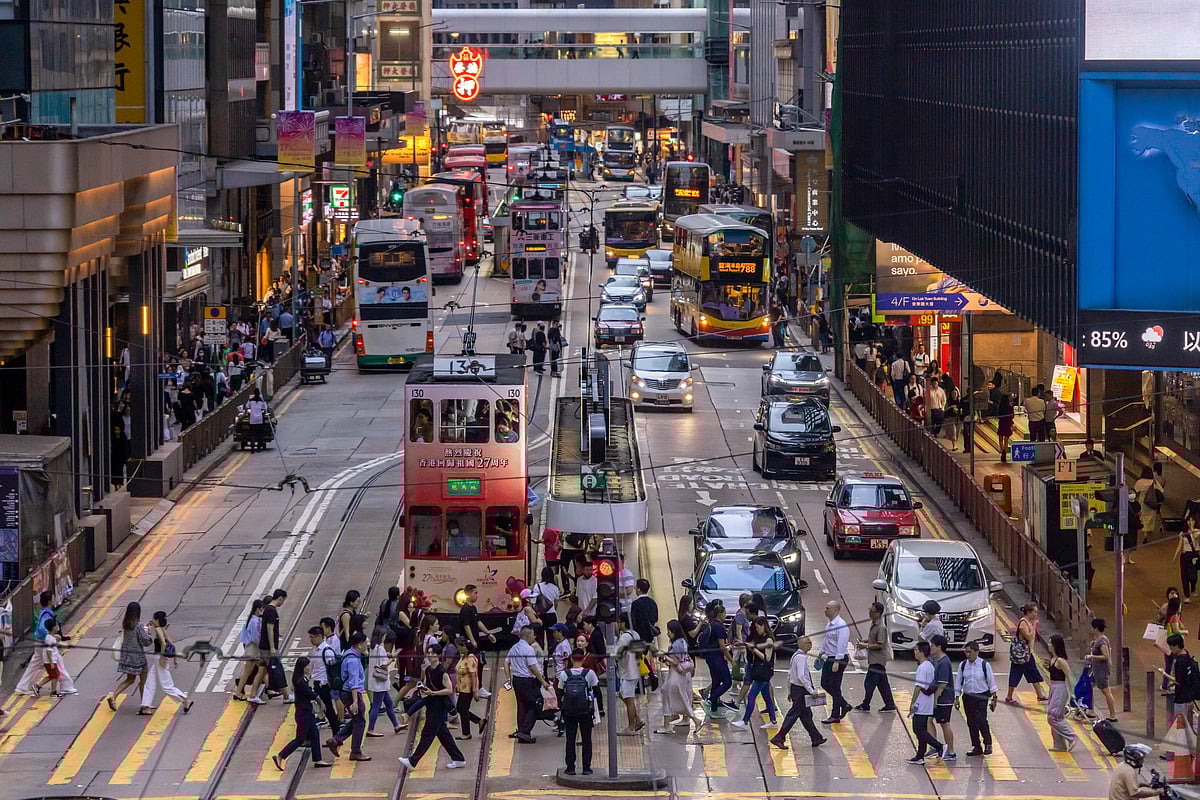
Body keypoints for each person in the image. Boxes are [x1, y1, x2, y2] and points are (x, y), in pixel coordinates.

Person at [399, 643, 468, 770]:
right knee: (444, 735)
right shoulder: (428, 670)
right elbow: (426, 684)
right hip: (431, 703)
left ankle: (413, 761)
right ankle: (458, 758)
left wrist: (433, 693)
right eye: (429, 653)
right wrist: (424, 688)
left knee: (427, 735)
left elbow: (449, 689)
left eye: (433, 653)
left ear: (438, 655)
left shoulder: (442, 672)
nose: (430, 655)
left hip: (439, 706)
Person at [273, 658, 334, 770]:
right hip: (303, 713)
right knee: (300, 739)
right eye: (307, 666)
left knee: (315, 734)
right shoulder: (300, 682)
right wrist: (320, 702)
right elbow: (310, 694)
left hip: (307, 712)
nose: (309, 668)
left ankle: (318, 759)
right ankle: (281, 755)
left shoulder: (302, 679)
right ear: (302, 667)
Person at [769, 635, 827, 749]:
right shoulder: (800, 658)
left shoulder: (796, 655)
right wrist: (811, 690)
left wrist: (790, 691)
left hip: (796, 689)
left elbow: (790, 675)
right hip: (801, 690)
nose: (810, 644)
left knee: (806, 715)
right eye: (808, 642)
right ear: (803, 644)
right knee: (793, 715)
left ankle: (816, 738)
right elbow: (800, 676)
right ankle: (779, 737)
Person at [17, 591, 76, 696]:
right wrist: (51, 636)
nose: (54, 599)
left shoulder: (44, 611)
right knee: (58, 663)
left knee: (33, 665)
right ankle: (66, 686)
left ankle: (22, 687)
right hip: (45, 643)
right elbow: (42, 628)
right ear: (49, 601)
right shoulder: (47, 614)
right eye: (53, 598)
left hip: (40, 642)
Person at [326, 632, 372, 761]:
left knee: (357, 720)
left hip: (345, 692)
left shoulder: (348, 653)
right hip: (351, 693)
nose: (366, 646)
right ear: (359, 645)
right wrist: (356, 702)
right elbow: (353, 682)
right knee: (360, 722)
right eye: (365, 644)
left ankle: (336, 740)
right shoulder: (353, 660)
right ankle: (355, 752)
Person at [106, 601, 154, 714]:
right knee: (143, 681)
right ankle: (144, 705)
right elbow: (146, 642)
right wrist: (149, 633)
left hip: (127, 656)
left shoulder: (126, 624)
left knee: (130, 679)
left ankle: (113, 697)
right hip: (138, 658)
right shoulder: (138, 626)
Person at [141, 611, 193, 712]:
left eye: (153, 618)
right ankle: (145, 705)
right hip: (159, 659)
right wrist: (174, 659)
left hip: (159, 658)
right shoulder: (162, 629)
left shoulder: (158, 629)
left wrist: (161, 657)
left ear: (157, 620)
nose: (152, 620)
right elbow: (171, 643)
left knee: (166, 686)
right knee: (150, 680)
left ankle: (185, 699)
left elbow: (164, 644)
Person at [656, 620, 702, 733]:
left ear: (674, 632)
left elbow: (676, 662)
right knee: (675, 696)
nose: (668, 633)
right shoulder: (682, 641)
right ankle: (671, 720)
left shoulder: (677, 644)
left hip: (675, 675)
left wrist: (665, 657)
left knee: (673, 697)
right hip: (677, 675)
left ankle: (690, 719)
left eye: (669, 631)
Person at [732, 616, 778, 729]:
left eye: (758, 627)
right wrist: (744, 644)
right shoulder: (760, 637)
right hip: (760, 672)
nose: (757, 630)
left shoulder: (768, 640)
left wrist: (754, 649)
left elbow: (767, 658)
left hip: (763, 672)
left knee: (752, 696)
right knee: (767, 697)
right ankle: (773, 721)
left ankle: (745, 721)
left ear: (763, 626)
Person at [506, 626, 549, 743]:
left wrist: (508, 678)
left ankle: (521, 731)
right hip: (527, 681)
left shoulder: (514, 648)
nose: (533, 638)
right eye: (532, 635)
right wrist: (543, 681)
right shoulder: (528, 649)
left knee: (522, 706)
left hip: (517, 680)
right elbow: (533, 667)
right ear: (527, 635)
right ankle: (525, 732)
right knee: (536, 703)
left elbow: (506, 662)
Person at [558, 647, 598, 775]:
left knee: (570, 739)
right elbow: (595, 691)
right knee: (587, 739)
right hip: (585, 711)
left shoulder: (565, 674)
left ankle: (570, 768)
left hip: (569, 712)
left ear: (571, 658)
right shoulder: (590, 673)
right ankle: (586, 768)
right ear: (583, 658)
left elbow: (560, 692)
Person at [248, 588, 292, 705]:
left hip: (263, 646)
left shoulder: (267, 609)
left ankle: (252, 695)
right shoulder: (272, 610)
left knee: (262, 670)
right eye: (283, 600)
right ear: (280, 598)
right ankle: (287, 696)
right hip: (268, 647)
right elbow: (270, 628)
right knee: (278, 670)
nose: (283, 603)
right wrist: (272, 647)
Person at [954, 640, 997, 757]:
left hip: (981, 696)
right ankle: (976, 746)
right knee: (971, 722)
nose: (968, 654)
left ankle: (988, 743)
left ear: (977, 652)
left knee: (981, 720)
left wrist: (994, 697)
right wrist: (957, 697)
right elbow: (958, 682)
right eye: (966, 652)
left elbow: (991, 681)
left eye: (970, 652)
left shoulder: (984, 665)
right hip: (968, 697)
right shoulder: (963, 665)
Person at [907, 641, 945, 765]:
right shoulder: (929, 665)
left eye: (916, 650)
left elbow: (918, 687)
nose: (914, 652)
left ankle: (938, 746)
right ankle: (920, 755)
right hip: (927, 702)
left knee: (918, 729)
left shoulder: (922, 668)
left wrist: (912, 704)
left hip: (921, 703)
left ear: (922, 652)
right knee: (921, 729)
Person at [854, 602, 896, 712]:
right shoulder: (874, 624)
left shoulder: (881, 627)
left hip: (877, 660)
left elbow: (880, 644)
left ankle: (866, 704)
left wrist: (866, 646)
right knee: (882, 684)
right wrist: (865, 641)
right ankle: (890, 704)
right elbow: (874, 639)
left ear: (878, 613)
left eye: (872, 611)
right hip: (874, 659)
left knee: (869, 683)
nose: (870, 613)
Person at [698, 602, 734, 719]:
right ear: (720, 614)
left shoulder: (711, 624)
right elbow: (722, 647)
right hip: (717, 658)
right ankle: (712, 697)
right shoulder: (719, 627)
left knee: (716, 681)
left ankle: (714, 708)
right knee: (727, 682)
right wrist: (731, 659)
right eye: (724, 614)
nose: (725, 616)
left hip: (709, 657)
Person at [1005, 603, 1047, 704]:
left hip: (1027, 653)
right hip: (1021, 654)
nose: (1036, 614)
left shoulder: (1028, 622)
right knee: (1016, 673)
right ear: (1029, 612)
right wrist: (1034, 626)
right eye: (1035, 612)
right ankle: (1009, 697)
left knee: (1033, 672)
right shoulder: (1023, 622)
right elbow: (1028, 636)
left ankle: (1040, 695)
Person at [818, 600, 851, 723]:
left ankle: (835, 714)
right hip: (830, 657)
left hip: (838, 658)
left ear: (835, 610)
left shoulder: (841, 625)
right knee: (825, 683)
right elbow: (827, 640)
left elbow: (841, 644)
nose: (825, 610)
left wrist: (837, 661)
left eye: (828, 608)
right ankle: (844, 704)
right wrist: (821, 653)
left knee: (835, 686)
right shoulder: (830, 623)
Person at [1044, 633, 1078, 751]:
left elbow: (1069, 676)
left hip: (1060, 689)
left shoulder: (1061, 660)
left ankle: (1072, 737)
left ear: (1055, 645)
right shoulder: (1053, 659)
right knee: (1056, 716)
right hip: (1053, 688)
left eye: (1050, 642)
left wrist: (1074, 693)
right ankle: (1059, 744)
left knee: (1052, 716)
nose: (1048, 645)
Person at [366, 629, 402, 736]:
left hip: (376, 680)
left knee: (389, 704)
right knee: (376, 705)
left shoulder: (373, 648)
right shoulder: (380, 648)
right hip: (380, 681)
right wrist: (393, 658)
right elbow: (384, 665)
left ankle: (396, 725)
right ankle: (370, 729)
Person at [459, 586, 498, 684]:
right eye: (475, 593)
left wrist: (488, 634)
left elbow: (478, 622)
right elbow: (466, 626)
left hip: (476, 640)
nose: (477, 595)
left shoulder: (473, 608)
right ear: (468, 594)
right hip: (468, 643)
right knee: (472, 665)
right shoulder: (465, 609)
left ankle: (478, 685)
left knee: (478, 663)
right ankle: (473, 686)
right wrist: (472, 640)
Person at [614, 614, 645, 735]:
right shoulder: (635, 634)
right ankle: (637, 719)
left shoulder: (624, 638)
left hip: (627, 672)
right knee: (624, 695)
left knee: (629, 699)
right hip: (635, 670)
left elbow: (617, 654)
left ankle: (631, 727)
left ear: (622, 623)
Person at [928, 634, 957, 759]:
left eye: (932, 645)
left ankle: (951, 752)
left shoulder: (944, 662)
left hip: (943, 699)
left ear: (939, 647)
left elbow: (943, 684)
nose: (931, 648)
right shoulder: (938, 660)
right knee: (928, 720)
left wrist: (935, 699)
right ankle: (935, 746)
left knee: (945, 723)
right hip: (938, 698)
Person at [1084, 618, 1119, 722]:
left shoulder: (1102, 641)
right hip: (1097, 669)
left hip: (1102, 669)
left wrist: (1092, 656)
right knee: (1090, 686)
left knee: (1106, 690)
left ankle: (1113, 715)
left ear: (1095, 628)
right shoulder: (1100, 640)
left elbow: (1106, 656)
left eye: (1092, 627)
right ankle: (1091, 710)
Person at [454, 635, 487, 739]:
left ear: (464, 646)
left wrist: (474, 691)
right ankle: (479, 721)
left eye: (458, 647)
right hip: (462, 688)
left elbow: (473, 675)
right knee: (461, 708)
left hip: (468, 689)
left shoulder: (471, 658)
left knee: (462, 709)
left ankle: (466, 733)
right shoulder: (463, 656)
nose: (457, 649)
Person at [233, 600, 265, 701]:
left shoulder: (251, 619)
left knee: (248, 672)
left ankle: (238, 693)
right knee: (263, 669)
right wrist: (262, 646)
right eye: (261, 609)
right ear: (257, 609)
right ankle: (258, 692)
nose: (262, 611)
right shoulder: (254, 621)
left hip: (250, 649)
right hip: (254, 650)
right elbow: (255, 637)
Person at [309, 624, 340, 725]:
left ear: (319, 636)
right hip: (317, 682)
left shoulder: (327, 651)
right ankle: (326, 719)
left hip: (324, 684)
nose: (311, 639)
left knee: (328, 708)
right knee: (324, 707)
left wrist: (325, 683)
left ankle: (335, 727)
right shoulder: (316, 649)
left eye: (312, 637)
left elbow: (332, 669)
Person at [530, 567, 561, 651]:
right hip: (551, 616)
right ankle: (551, 657)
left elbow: (533, 602)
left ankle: (540, 658)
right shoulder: (555, 588)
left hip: (540, 615)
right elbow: (556, 603)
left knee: (539, 638)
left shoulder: (537, 586)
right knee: (551, 638)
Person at [33, 618, 65, 697]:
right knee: (55, 675)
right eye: (56, 625)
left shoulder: (50, 636)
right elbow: (48, 651)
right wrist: (51, 663)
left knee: (52, 675)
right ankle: (53, 692)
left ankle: (37, 686)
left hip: (50, 660)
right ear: (53, 627)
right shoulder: (49, 638)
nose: (58, 626)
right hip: (49, 660)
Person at [1135, 465, 1164, 543]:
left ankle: (1145, 534)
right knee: (1151, 518)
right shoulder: (1153, 481)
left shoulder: (1139, 482)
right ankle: (1149, 532)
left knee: (1143, 518)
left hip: (1142, 502)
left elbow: (1136, 492)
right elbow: (1161, 491)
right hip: (1152, 502)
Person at [1177, 519, 1200, 602]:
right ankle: (1187, 596)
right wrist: (1175, 555)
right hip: (1185, 555)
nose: (1190, 522)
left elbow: (1195, 537)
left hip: (1194, 555)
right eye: (1189, 521)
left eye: (1192, 520)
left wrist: (1192, 528)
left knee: (1193, 576)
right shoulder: (1183, 533)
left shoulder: (1197, 531)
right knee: (1184, 575)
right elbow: (1180, 544)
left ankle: (1193, 587)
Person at [246, 389, 269, 453]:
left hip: (252, 420)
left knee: (252, 434)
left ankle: (252, 448)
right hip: (259, 420)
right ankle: (259, 448)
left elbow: (247, 407)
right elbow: (265, 408)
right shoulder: (261, 401)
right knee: (259, 434)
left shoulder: (250, 401)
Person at [996, 394, 1015, 463]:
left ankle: (1002, 451)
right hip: (1008, 423)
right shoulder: (1010, 407)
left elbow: (998, 415)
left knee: (1000, 438)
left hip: (1002, 423)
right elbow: (1012, 416)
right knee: (1006, 439)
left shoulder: (1000, 407)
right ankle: (1005, 452)